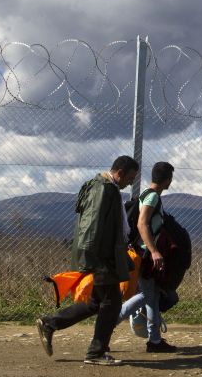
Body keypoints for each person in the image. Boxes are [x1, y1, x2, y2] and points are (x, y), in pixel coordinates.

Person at [36, 155, 139, 365]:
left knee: (95, 303)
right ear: (120, 173)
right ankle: (96, 353)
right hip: (103, 257)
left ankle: (50, 323)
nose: (131, 183)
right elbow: (92, 225)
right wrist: (92, 258)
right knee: (111, 303)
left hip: (104, 254)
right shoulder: (104, 189)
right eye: (130, 178)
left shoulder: (103, 187)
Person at [124, 161, 178, 353]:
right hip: (146, 254)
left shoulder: (148, 194)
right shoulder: (153, 196)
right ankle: (108, 322)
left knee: (152, 295)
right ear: (168, 180)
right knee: (147, 295)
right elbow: (142, 223)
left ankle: (154, 340)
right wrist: (154, 251)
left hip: (145, 252)